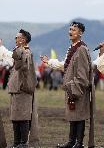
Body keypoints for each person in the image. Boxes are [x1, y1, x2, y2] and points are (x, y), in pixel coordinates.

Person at [41, 20, 94, 148]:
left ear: (80, 33)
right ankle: (71, 142)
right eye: (70, 29)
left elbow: (82, 73)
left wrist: (76, 86)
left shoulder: (81, 49)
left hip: (78, 87)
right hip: (72, 86)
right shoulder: (73, 48)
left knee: (79, 114)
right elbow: (65, 66)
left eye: (74, 30)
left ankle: (79, 143)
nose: (70, 32)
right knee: (73, 113)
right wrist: (49, 62)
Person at [0, 29, 39, 148]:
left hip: (22, 90)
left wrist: (13, 49)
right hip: (17, 90)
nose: (15, 39)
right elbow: (12, 56)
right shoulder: (22, 51)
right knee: (15, 118)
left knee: (23, 117)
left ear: (23, 40)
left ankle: (23, 143)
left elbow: (19, 64)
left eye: (17, 37)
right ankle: (16, 143)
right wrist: (1, 47)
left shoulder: (26, 53)